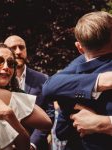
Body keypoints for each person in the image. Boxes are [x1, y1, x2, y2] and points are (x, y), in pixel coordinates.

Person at [42, 11, 112, 150]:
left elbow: (61, 132)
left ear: (79, 47)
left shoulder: (76, 73)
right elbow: (49, 86)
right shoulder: (80, 67)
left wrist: (105, 123)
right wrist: (97, 81)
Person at [4, 35, 55, 150]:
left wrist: (32, 144)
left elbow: (49, 114)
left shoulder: (43, 79)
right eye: (13, 48)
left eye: (21, 47)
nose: (18, 52)